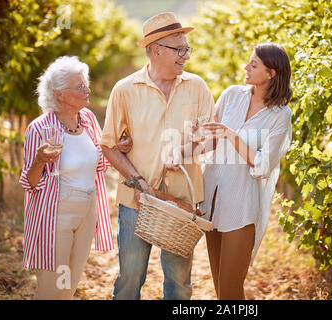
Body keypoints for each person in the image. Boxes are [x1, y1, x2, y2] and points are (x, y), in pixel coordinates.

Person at [101, 12, 214, 300]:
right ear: (156, 50)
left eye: (187, 48)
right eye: (179, 49)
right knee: (129, 278)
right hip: (136, 202)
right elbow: (109, 144)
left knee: (179, 284)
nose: (185, 56)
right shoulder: (125, 90)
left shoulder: (197, 87)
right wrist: (137, 181)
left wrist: (186, 150)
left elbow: (211, 139)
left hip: (181, 204)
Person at [199, 43, 293, 300]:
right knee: (220, 285)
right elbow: (210, 139)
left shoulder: (280, 116)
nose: (246, 67)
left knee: (230, 287)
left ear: (271, 74)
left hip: (242, 207)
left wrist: (233, 136)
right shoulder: (231, 95)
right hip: (212, 199)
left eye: (254, 65)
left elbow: (263, 164)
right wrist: (182, 152)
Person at [19, 56, 114, 299]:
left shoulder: (89, 119)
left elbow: (99, 163)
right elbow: (30, 183)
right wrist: (40, 161)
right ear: (59, 94)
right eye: (79, 86)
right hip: (56, 212)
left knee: (70, 283)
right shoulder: (39, 129)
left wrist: (118, 146)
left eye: (86, 84)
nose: (87, 90)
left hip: (87, 208)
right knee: (53, 286)